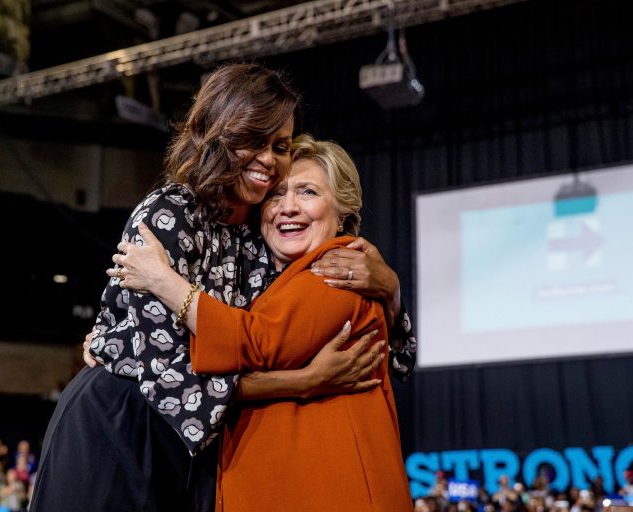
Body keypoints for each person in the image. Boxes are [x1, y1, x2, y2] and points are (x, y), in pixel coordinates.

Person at [31, 63, 406, 512]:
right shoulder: (168, 215)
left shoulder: (261, 234)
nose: (269, 160)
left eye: (280, 146)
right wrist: (305, 381)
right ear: (217, 134)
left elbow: (379, 355)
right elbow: (172, 377)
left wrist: (390, 288)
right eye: (254, 139)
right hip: (120, 427)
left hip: (203, 450)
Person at [112, 135, 414, 511]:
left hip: (335, 489)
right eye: (275, 195)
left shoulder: (337, 270)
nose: (287, 208)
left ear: (343, 213)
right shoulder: (267, 280)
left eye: (307, 192)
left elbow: (255, 342)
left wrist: (162, 281)